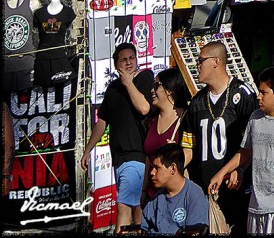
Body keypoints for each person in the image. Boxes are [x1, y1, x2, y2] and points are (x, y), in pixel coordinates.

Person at [209, 67, 274, 234]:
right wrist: (222, 173)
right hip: (255, 205)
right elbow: (245, 152)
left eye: (264, 92)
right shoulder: (255, 118)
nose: (258, 96)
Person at [181, 40, 257, 235]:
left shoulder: (243, 94)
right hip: (205, 188)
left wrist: (240, 168)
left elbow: (251, 144)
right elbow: (188, 147)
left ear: (216, 62)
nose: (196, 65)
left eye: (200, 61)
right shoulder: (197, 102)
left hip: (234, 187)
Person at [81, 43, 154, 227]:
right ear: (116, 65)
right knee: (137, 209)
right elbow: (102, 121)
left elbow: (144, 108)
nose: (129, 62)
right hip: (119, 158)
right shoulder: (113, 88)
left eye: (132, 58)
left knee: (123, 207)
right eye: (124, 59)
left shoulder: (145, 77)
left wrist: (129, 82)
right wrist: (88, 150)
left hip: (136, 154)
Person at [143, 67, 189, 202]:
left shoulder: (185, 119)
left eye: (157, 86)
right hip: (151, 196)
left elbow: (190, 152)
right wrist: (144, 189)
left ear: (169, 90)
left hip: (174, 196)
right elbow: (148, 158)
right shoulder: (152, 120)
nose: (152, 91)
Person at [142, 142, 209, 234]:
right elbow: (142, 228)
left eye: (157, 168)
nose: (152, 172)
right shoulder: (156, 198)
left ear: (173, 168)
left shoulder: (194, 195)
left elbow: (195, 232)